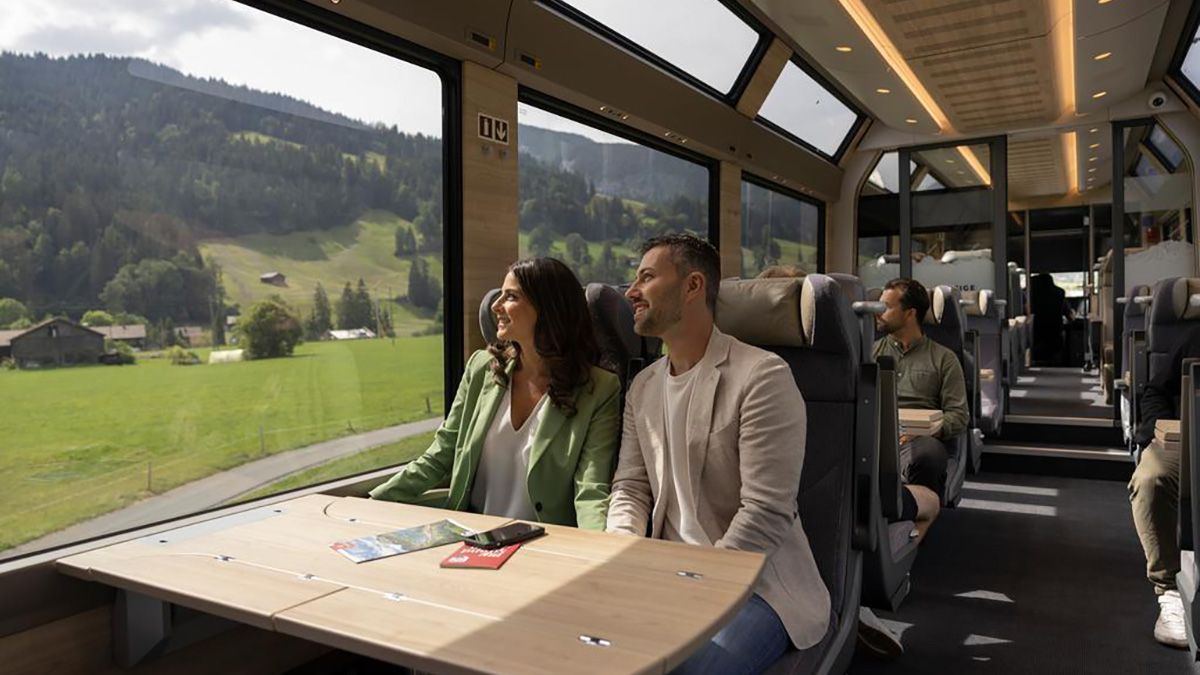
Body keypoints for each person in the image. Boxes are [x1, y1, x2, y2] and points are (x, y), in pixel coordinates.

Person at [606, 233, 829, 674]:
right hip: (664, 572)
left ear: (693, 286)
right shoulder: (644, 386)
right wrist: (623, 555)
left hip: (757, 585)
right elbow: (630, 487)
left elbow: (766, 511)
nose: (631, 292)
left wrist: (697, 581)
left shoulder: (762, 377)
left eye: (646, 277)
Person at [370, 258, 620, 530]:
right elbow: (441, 454)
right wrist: (370, 502)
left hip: (543, 544)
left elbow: (591, 490)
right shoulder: (482, 369)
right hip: (471, 536)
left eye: (510, 296)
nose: (495, 306)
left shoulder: (599, 389)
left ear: (548, 308)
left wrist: (598, 549)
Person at [857, 277, 969, 658]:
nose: (880, 313)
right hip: (879, 435)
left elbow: (959, 417)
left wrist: (931, 425)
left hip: (918, 441)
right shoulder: (871, 351)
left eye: (887, 306)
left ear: (910, 313)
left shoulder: (944, 359)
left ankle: (906, 543)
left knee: (927, 456)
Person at [1129, 336, 1200, 648]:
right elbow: (1156, 391)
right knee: (1151, 478)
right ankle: (1169, 589)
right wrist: (1159, 432)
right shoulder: (1195, 339)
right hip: (1189, 433)